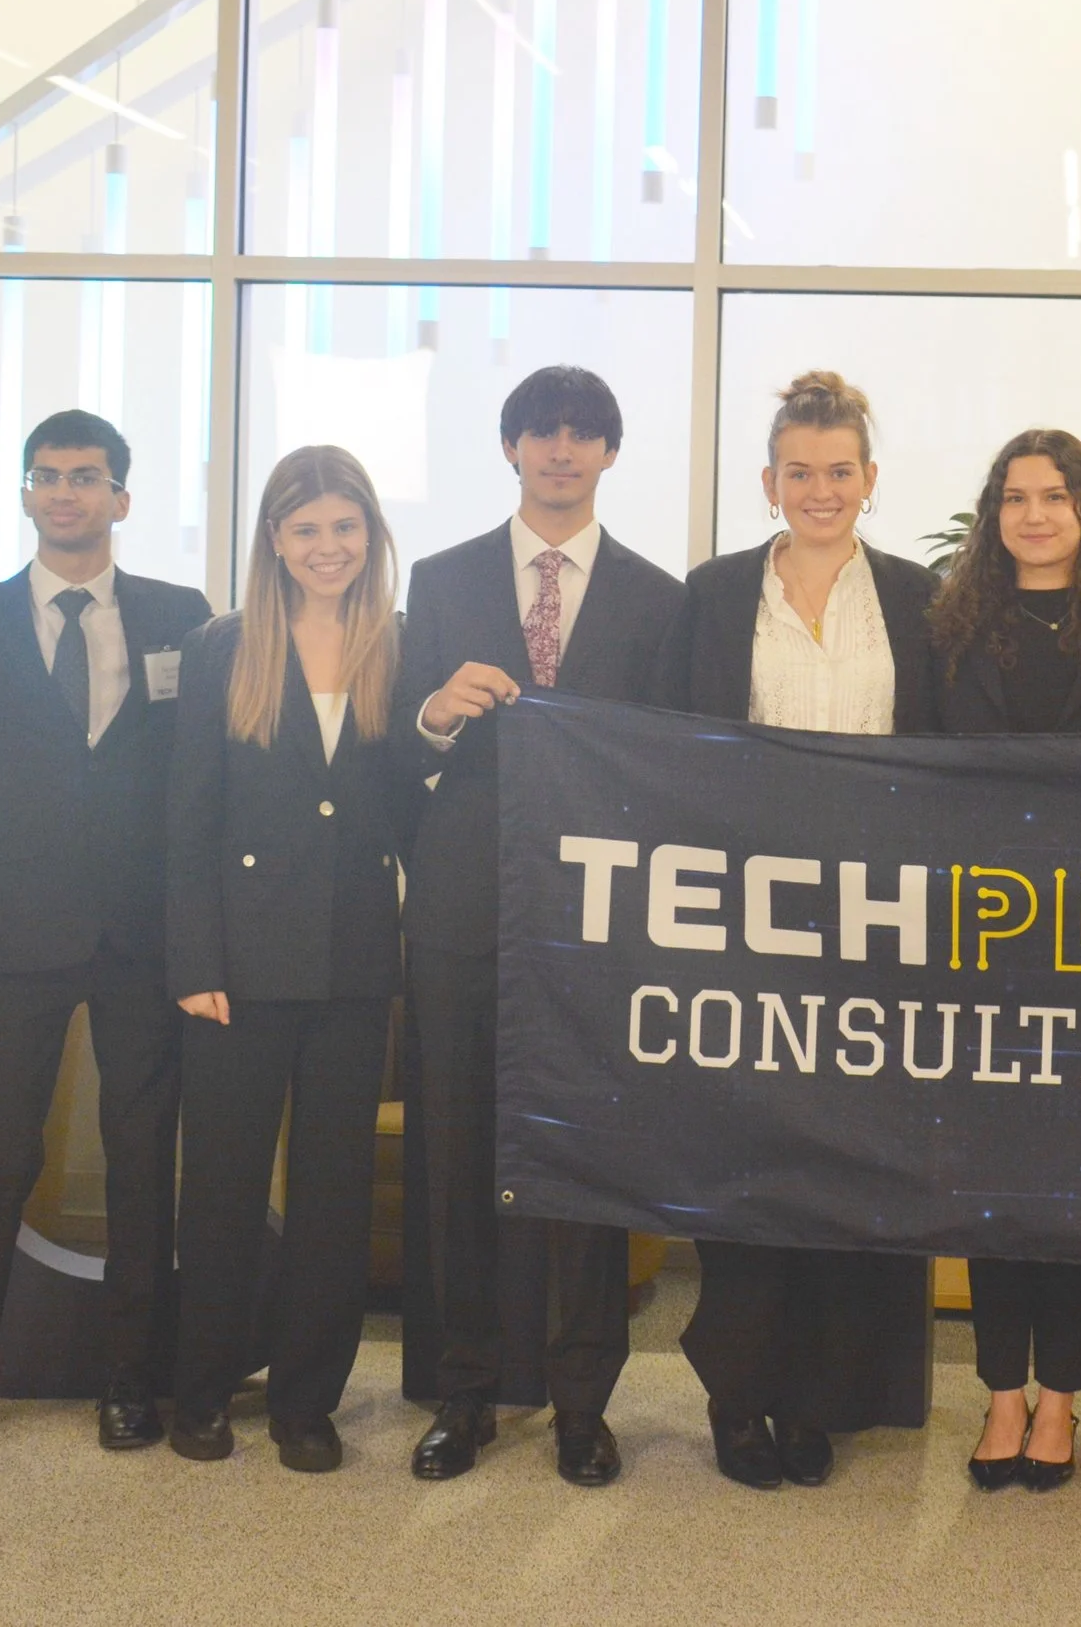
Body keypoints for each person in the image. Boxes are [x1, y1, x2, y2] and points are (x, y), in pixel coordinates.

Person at [0, 410, 212, 1456]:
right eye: (46, 476)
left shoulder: (182, 616)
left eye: (86, 476)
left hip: (144, 934)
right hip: (21, 928)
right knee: (5, 1157)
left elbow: (201, 779)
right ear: (26, 495)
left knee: (140, 1158)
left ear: (122, 497)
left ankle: (130, 1378)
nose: (65, 492)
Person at [651, 370, 939, 1490]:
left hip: (879, 930)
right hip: (743, 924)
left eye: (840, 471)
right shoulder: (713, 594)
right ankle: (738, 1394)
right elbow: (668, 750)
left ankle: (822, 1395)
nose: (822, 490)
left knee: (847, 1165)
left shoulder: (918, 598)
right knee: (744, 1164)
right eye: (800, 472)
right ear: (768, 483)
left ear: (870, 479)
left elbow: (952, 758)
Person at [400, 366, 685, 1488]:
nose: (561, 450)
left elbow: (674, 774)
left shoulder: (659, 600)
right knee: (455, 1153)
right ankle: (465, 1390)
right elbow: (391, 757)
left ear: (609, 452)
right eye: (541, 432)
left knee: (587, 1161)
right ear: (510, 447)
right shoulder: (440, 579)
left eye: (582, 434)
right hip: (462, 908)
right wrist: (433, 715)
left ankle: (582, 1401)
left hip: (599, 924)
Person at [928, 427, 1081, 1492]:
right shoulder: (946, 631)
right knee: (992, 1176)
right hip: (978, 939)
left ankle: (1063, 1398)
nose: (1033, 515)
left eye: (1053, 497)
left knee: (1080, 1179)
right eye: (1014, 498)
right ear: (994, 514)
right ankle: (998, 1394)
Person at [162, 446, 414, 1473]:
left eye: (345, 526)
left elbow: (409, 799)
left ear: (371, 534)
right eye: (306, 529)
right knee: (221, 1191)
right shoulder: (221, 648)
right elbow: (188, 816)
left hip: (354, 961)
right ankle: (202, 1390)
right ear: (274, 539)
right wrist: (193, 961)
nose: (327, 547)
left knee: (332, 1198)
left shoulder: (400, 642)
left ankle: (308, 1403)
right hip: (237, 965)